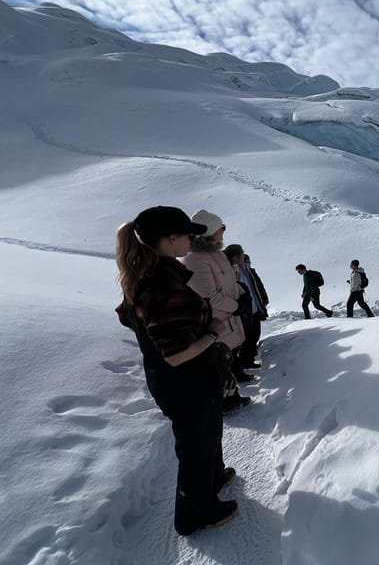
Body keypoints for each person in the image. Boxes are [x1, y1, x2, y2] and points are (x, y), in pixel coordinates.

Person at [115, 206, 238, 536]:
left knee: (208, 433)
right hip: (186, 382)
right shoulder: (164, 285)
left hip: (182, 381)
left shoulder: (147, 273)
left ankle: (212, 478)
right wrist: (213, 330)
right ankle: (196, 513)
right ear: (170, 239)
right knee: (195, 446)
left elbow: (128, 317)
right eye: (186, 234)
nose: (191, 239)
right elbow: (177, 355)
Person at [183, 210, 254, 408]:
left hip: (229, 319)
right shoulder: (195, 260)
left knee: (225, 363)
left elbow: (231, 283)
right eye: (221, 227)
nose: (224, 230)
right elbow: (210, 296)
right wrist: (237, 306)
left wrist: (243, 294)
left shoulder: (217, 254)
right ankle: (220, 403)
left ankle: (231, 397)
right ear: (210, 231)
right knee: (218, 365)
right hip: (217, 322)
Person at [223, 245, 268, 369]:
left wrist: (262, 302)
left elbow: (256, 287)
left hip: (252, 309)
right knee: (241, 341)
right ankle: (238, 367)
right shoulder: (227, 271)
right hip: (240, 311)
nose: (244, 256)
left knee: (253, 336)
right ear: (235, 257)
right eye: (242, 254)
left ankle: (247, 361)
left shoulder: (245, 269)